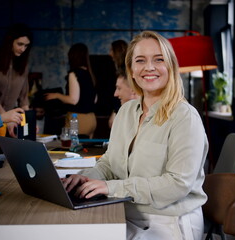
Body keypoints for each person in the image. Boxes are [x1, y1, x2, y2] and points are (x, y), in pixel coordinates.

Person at [62, 31, 209, 240]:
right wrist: (85, 178)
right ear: (131, 70)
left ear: (171, 66)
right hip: (125, 212)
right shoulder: (126, 111)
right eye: (140, 60)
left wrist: (110, 187)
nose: (149, 67)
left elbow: (177, 184)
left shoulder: (185, 117)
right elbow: (110, 164)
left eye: (158, 59)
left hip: (168, 222)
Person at [44, 43, 97, 139]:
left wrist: (57, 95)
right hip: (92, 119)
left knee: (72, 147)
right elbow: (95, 99)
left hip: (77, 119)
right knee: (87, 150)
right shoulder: (90, 74)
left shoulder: (74, 74)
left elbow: (73, 99)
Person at [108, 39, 129, 128]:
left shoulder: (124, 70)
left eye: (111, 50)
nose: (109, 53)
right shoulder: (121, 68)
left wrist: (116, 111)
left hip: (122, 107)